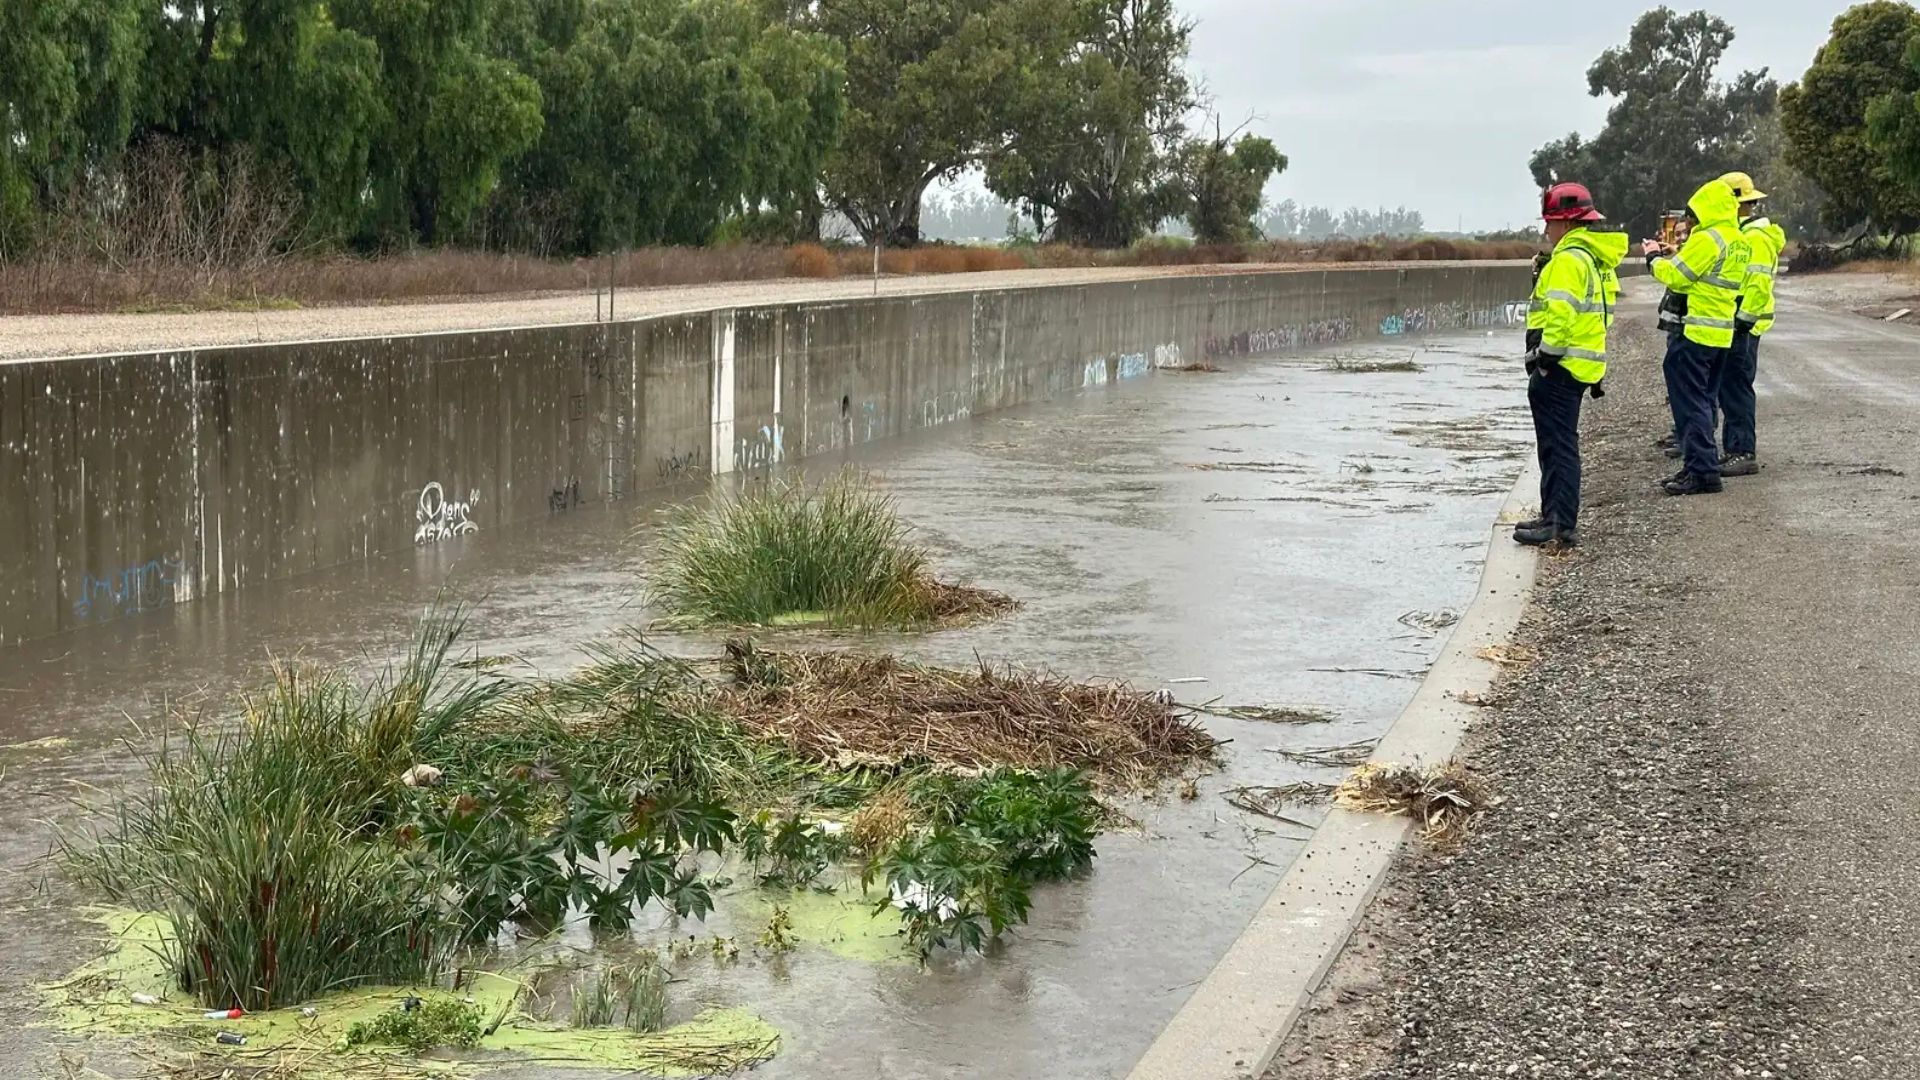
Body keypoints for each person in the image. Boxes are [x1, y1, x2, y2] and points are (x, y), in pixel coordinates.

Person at [1513, 182, 1626, 547]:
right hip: (1580, 367)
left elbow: (1559, 315)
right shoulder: (1592, 260)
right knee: (1560, 445)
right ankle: (1555, 515)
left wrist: (1544, 357)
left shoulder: (1567, 261)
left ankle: (1559, 522)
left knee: (1556, 447)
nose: (1547, 230)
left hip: (1560, 369)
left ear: (1565, 223)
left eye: (1550, 222)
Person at [1643, 179, 1750, 495]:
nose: (1690, 222)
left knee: (1689, 405)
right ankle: (1700, 467)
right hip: (1720, 333)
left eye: (1692, 216)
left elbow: (1678, 277)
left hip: (1694, 333)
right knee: (1704, 401)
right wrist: (1679, 253)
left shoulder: (1707, 239)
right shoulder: (1737, 240)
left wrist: (1653, 259)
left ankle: (1701, 472)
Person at [1716, 171, 1785, 477]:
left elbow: (1757, 285)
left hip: (1744, 324)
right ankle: (1735, 448)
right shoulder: (1748, 234)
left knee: (1736, 387)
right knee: (1731, 387)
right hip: (1743, 322)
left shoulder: (1754, 238)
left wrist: (1741, 323)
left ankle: (1742, 451)